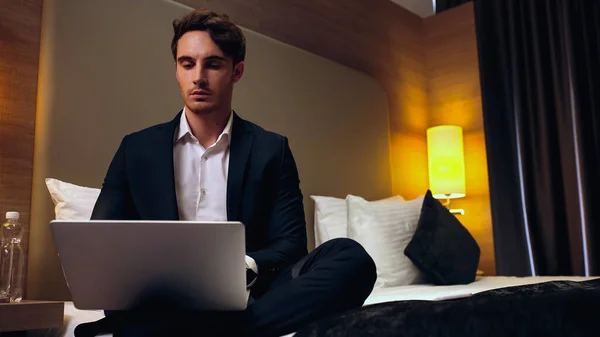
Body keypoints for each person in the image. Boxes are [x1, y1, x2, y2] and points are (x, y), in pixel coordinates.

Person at [81, 8, 376, 337]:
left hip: (250, 294)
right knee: (136, 309)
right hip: (161, 299)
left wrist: (243, 266)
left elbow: (291, 245)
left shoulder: (271, 149)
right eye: (187, 63)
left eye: (213, 64)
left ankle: (223, 330)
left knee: (351, 258)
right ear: (176, 69)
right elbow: (101, 242)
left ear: (237, 72)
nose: (198, 77)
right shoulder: (135, 149)